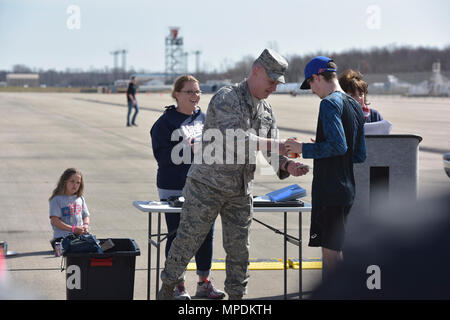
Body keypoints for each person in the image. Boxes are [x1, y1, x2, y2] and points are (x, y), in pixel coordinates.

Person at [158, 49, 309, 300]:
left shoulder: (266, 111)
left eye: (276, 83)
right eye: (270, 81)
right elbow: (236, 139)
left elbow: (269, 150)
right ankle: (167, 289)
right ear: (256, 71)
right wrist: (278, 144)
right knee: (186, 243)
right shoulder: (227, 97)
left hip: (240, 191)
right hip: (207, 185)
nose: (273, 87)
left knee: (240, 252)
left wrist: (287, 165)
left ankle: (237, 299)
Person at [285, 56, 367, 280]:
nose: (311, 90)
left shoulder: (329, 103)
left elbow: (339, 145)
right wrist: (322, 148)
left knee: (330, 252)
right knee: (337, 247)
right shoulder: (354, 105)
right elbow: (358, 154)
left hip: (330, 190)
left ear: (318, 77)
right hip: (348, 189)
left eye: (310, 83)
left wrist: (303, 148)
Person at [150, 75, 225, 300]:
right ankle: (177, 284)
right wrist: (186, 149)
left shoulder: (205, 119)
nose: (195, 96)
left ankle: (204, 283)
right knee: (177, 237)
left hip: (204, 187)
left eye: (197, 91)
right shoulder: (165, 122)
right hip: (174, 186)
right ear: (176, 94)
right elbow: (161, 156)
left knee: (205, 235)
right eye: (189, 91)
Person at [49, 168, 90, 252]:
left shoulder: (80, 198)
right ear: (65, 182)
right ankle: (58, 247)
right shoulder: (57, 199)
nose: (75, 185)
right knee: (78, 248)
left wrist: (85, 226)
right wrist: (73, 229)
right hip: (63, 237)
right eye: (72, 181)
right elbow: (55, 221)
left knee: (95, 245)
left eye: (78, 182)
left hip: (79, 235)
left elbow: (86, 216)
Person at [339, 69, 392, 134]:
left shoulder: (374, 116)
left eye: (361, 94)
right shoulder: (338, 116)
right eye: (352, 95)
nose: (358, 99)